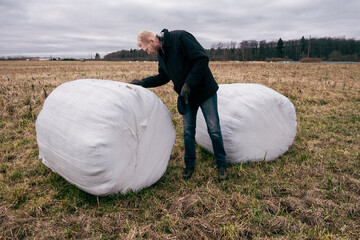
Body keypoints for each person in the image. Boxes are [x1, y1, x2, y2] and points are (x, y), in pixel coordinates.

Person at [130, 29, 228, 181]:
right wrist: (143, 83)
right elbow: (163, 77)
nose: (148, 53)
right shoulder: (162, 55)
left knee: (214, 129)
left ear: (151, 40)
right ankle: (189, 165)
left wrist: (189, 83)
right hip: (187, 97)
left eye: (146, 49)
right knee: (188, 132)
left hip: (205, 91)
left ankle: (221, 164)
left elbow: (201, 59)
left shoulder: (180, 37)